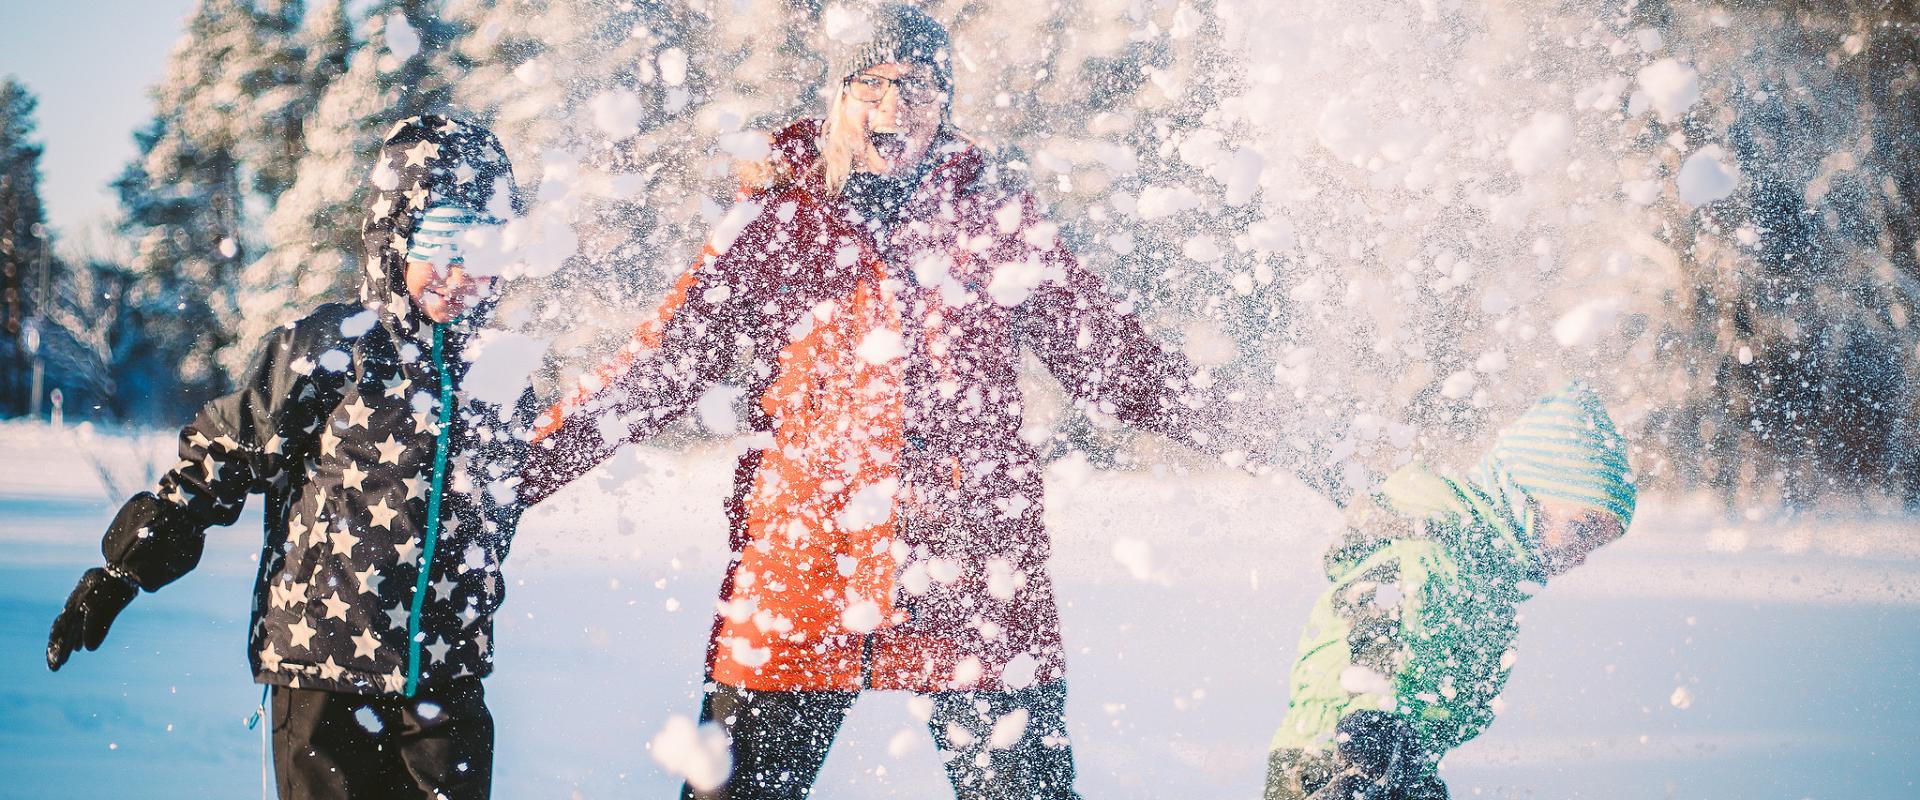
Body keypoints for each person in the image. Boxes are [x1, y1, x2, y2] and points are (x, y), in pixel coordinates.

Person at [514, 4, 1265, 798]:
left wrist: (1268, 432)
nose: (893, 106)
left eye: (918, 85)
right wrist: (512, 475)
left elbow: (1113, 359)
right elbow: (660, 367)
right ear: (835, 95)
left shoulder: (990, 218)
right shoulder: (776, 217)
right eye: (870, 82)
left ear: (946, 104)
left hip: (972, 573)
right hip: (805, 571)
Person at [46, 115, 532, 800]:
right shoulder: (333, 345)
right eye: (442, 241)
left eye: (482, 246)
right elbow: (223, 455)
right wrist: (122, 570)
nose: (460, 272)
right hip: (322, 669)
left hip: (446, 683)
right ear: (395, 236)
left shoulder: (503, 377)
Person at [1263, 380, 1638, 800]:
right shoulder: (1440, 544)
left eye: (1597, 543)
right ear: (1526, 492)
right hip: (1337, 759)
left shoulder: (1488, 573)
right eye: (1581, 528)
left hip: (1396, 759)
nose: (1582, 554)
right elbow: (1377, 615)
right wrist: (1367, 739)